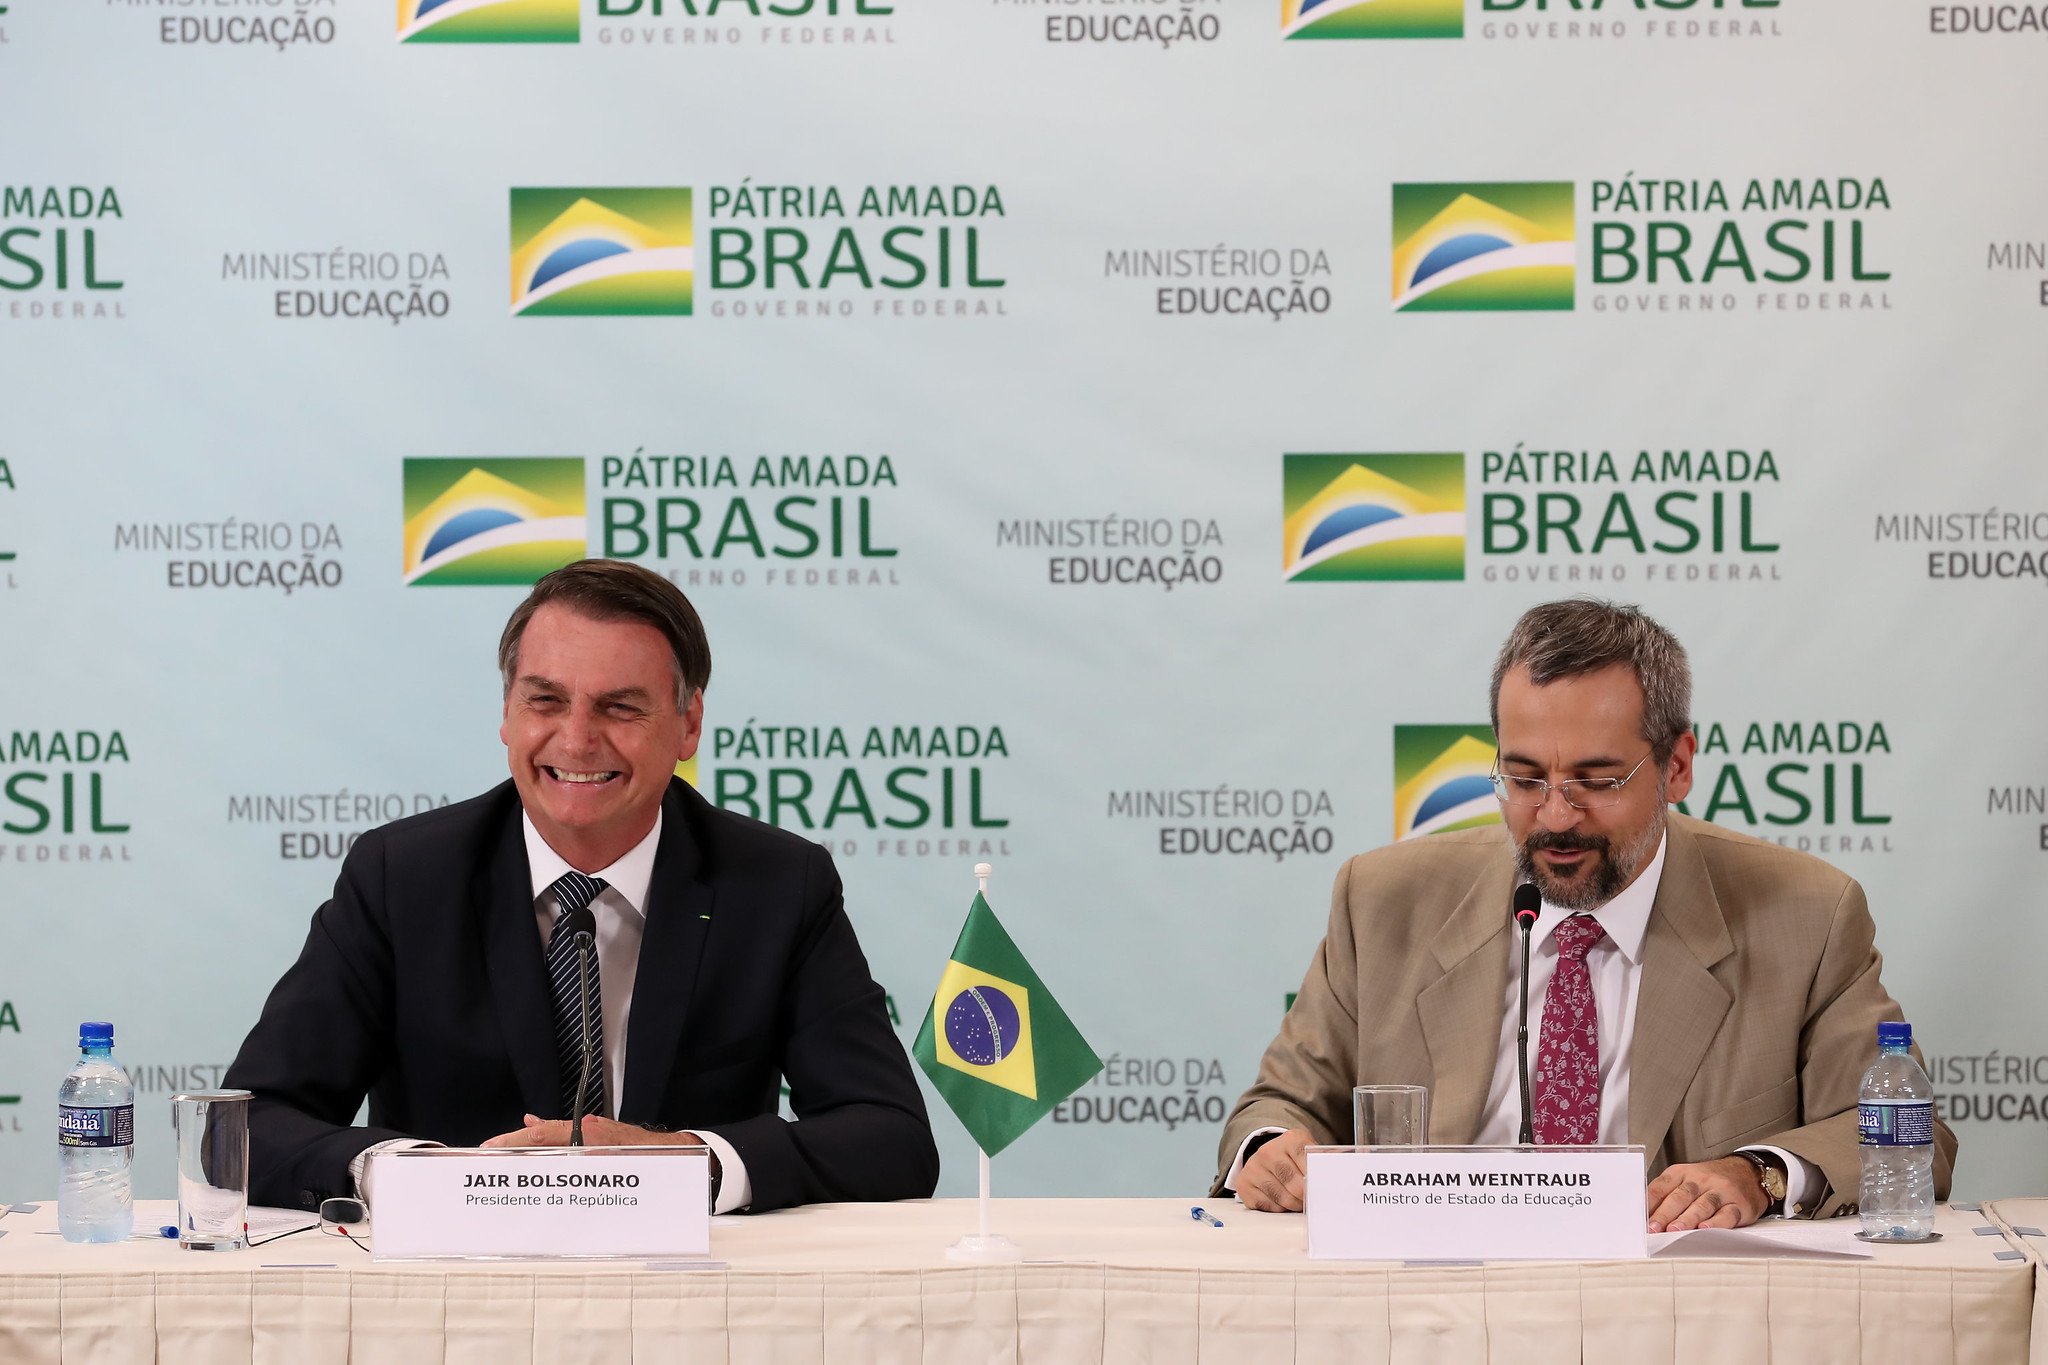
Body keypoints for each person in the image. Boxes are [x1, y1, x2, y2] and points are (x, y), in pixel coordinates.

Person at [1214, 599, 1956, 1231]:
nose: (1556, 817)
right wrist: (1273, 1151)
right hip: (1428, 1301)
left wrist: (1756, 1175)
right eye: (1526, 778)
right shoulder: (1382, 899)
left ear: (1678, 766)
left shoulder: (1806, 914)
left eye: (1597, 780)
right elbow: (1275, 1105)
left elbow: (1910, 1136)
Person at [225, 559, 938, 1213]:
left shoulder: (777, 885)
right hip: (455, 1299)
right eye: (546, 701)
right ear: (506, 713)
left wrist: (691, 1163)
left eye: (620, 707)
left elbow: (890, 1137)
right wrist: (407, 1172)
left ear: (688, 723)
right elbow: (247, 1124)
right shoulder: (402, 878)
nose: (575, 739)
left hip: (693, 1304)